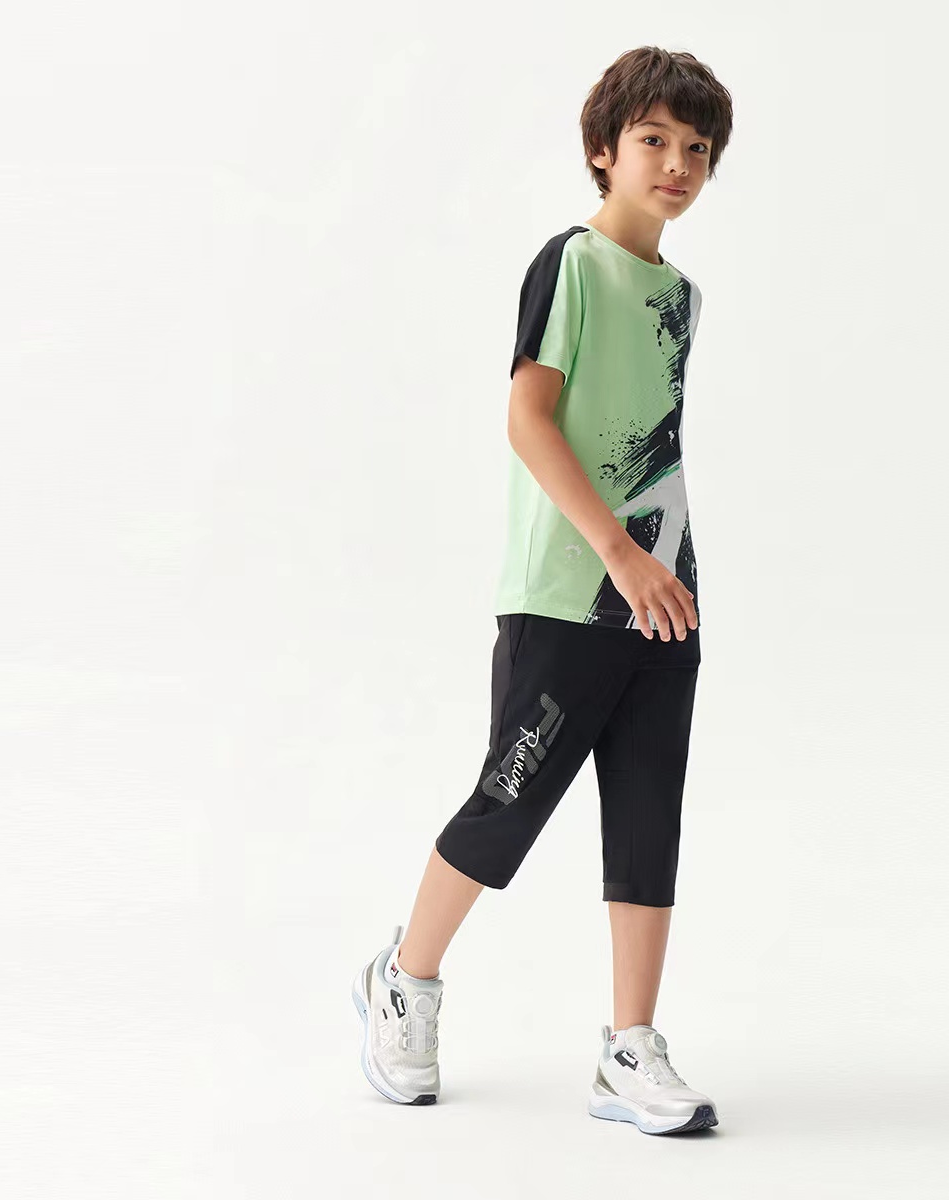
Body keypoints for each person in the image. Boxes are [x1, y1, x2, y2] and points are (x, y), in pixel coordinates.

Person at [351, 45, 734, 1136]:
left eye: (697, 148)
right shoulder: (572, 263)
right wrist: (617, 553)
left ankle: (629, 1049)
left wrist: (656, 567)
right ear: (604, 149)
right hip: (570, 590)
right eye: (654, 140)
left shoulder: (682, 297)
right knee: (509, 801)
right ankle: (404, 980)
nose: (676, 163)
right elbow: (529, 418)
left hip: (665, 593)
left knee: (648, 815)